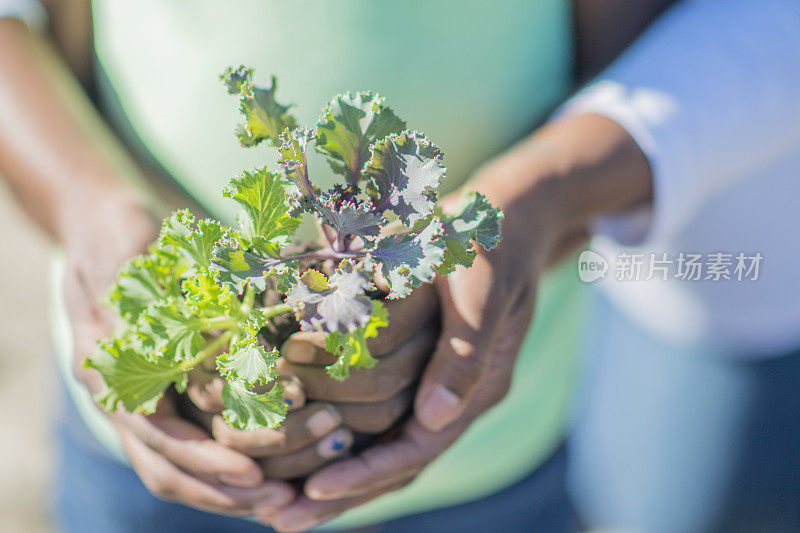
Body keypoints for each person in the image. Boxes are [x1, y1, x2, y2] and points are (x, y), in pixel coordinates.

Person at [9, 0, 792, 532]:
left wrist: (538, 199)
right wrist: (88, 203)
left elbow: (639, 49)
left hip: (490, 451)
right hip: (147, 441)